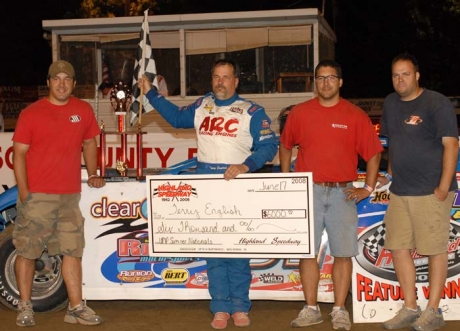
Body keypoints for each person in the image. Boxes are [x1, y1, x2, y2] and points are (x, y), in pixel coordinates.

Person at [139, 58, 277, 330]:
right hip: (207, 189)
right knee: (214, 252)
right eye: (216, 77)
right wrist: (150, 93)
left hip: (237, 186)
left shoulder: (251, 111)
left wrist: (245, 165)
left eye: (225, 77)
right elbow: (177, 118)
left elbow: (270, 145)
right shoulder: (203, 104)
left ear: (236, 81)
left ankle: (239, 306)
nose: (220, 82)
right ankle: (220, 308)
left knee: (237, 252)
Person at [279, 59, 383, 330]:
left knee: (343, 254)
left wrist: (368, 188)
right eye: (320, 78)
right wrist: (288, 180)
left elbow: (373, 154)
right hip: (309, 191)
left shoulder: (354, 115)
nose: (325, 82)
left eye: (330, 78)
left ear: (340, 81)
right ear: (316, 82)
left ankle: (339, 309)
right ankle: (311, 308)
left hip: (343, 193)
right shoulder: (300, 113)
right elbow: (285, 145)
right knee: (306, 252)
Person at [12, 60, 106, 327]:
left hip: (69, 196)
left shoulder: (82, 110)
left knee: (72, 252)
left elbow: (89, 143)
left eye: (67, 79)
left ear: (74, 84)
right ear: (49, 82)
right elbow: (19, 155)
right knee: (28, 251)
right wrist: (25, 192)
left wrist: (93, 173)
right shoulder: (31, 113)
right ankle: (25, 306)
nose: (62, 83)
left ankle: (75, 308)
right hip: (37, 197)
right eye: (57, 78)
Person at [380, 54, 458, 331]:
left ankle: (434, 311)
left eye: (405, 74)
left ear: (417, 75)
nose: (400, 80)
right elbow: (394, 143)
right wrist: (389, 174)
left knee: (435, 250)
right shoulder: (390, 103)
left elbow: (451, 145)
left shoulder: (437, 102)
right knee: (399, 248)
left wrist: (442, 188)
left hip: (431, 191)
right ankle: (410, 308)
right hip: (401, 191)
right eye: (395, 75)